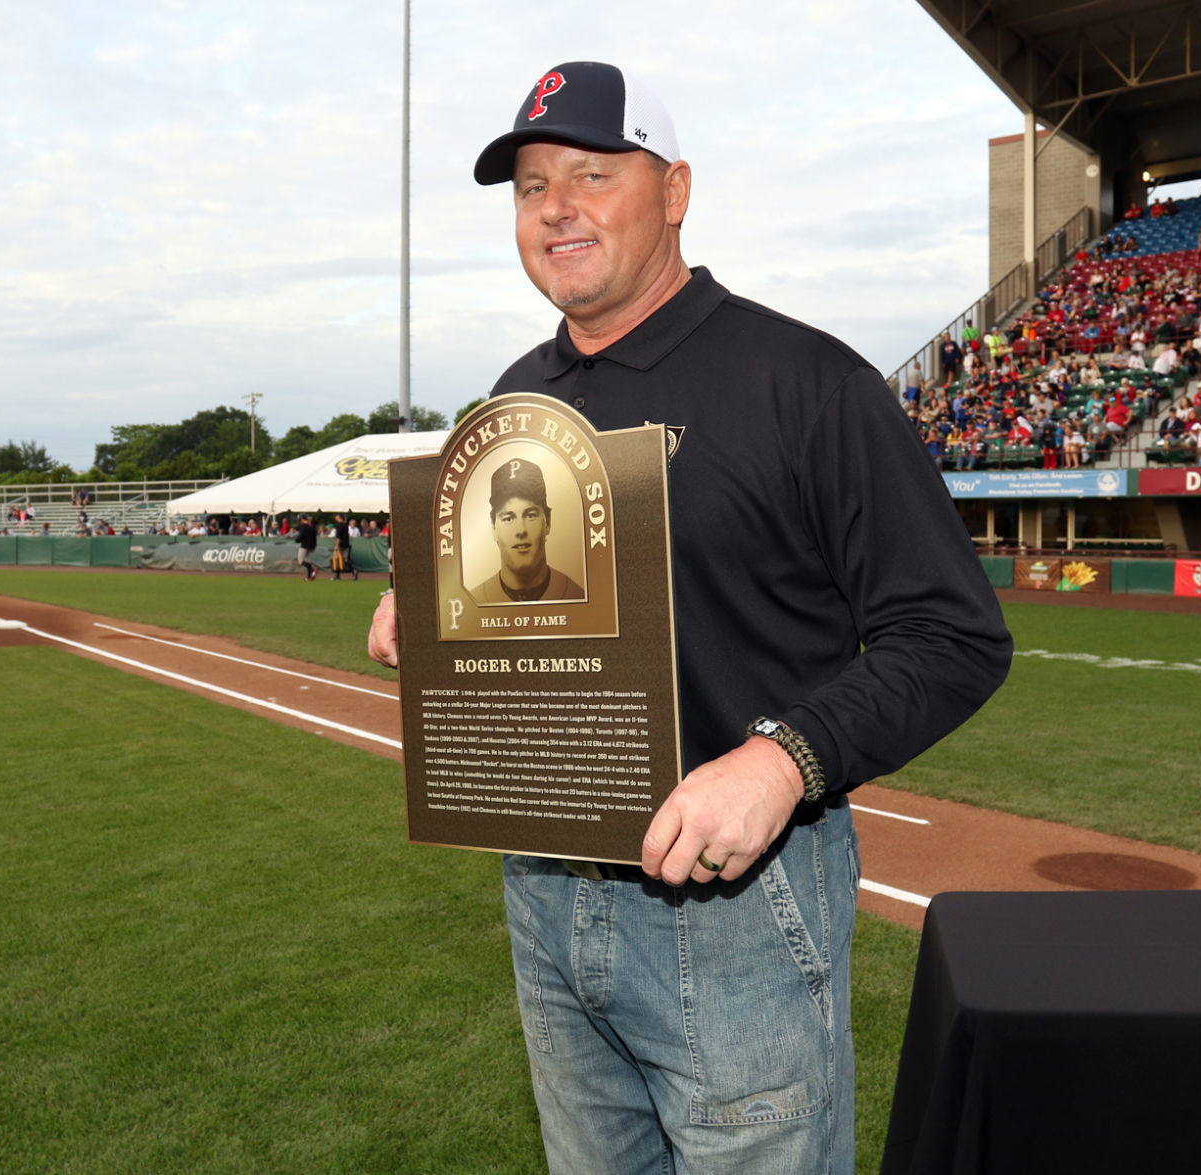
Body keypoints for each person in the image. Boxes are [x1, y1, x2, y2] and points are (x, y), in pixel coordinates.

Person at [366, 61, 1011, 1173]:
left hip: (740, 908)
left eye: (588, 172)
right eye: (528, 186)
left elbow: (952, 635)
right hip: (546, 884)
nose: (554, 207)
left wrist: (778, 760)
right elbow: (540, 610)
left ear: (672, 191)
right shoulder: (513, 400)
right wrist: (433, 607)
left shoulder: (802, 380)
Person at [469, 457, 586, 603]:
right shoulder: (472, 603)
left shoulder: (577, 596)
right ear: (493, 527)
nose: (521, 530)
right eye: (508, 518)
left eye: (530, 516)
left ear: (547, 522)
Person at [330, 513, 357, 580]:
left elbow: (338, 537)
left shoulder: (339, 525)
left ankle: (338, 576)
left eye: (336, 516)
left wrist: (337, 545)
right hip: (346, 544)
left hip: (341, 545)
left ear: (339, 517)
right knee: (345, 560)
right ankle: (353, 571)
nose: (335, 517)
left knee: (338, 560)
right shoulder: (345, 524)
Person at [296, 514, 319, 581]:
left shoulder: (304, 526)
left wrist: (297, 540)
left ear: (302, 519)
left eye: (300, 519)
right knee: (308, 560)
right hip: (312, 545)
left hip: (305, 545)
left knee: (301, 561)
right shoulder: (312, 526)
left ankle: (313, 570)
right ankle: (309, 577)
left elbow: (302, 536)